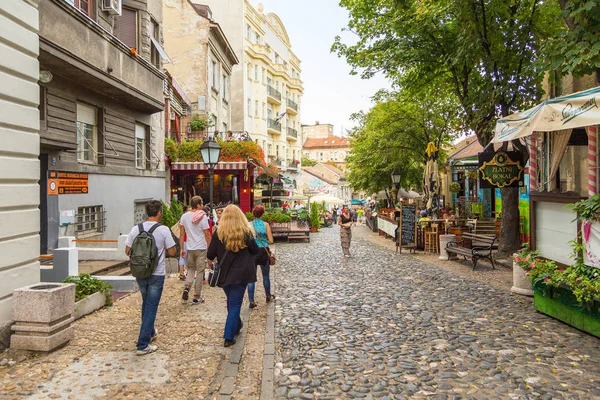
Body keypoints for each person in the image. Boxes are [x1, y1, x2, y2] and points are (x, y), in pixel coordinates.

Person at [124, 200, 176, 356]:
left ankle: (151, 331)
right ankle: (142, 344)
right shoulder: (163, 230)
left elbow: (127, 250)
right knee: (151, 308)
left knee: (147, 303)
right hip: (156, 274)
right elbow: (172, 252)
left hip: (140, 273)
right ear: (159, 212)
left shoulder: (136, 229)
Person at [207, 205, 260, 347]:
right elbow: (256, 251)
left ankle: (236, 326)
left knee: (232, 302)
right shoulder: (245, 233)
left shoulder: (218, 233)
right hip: (242, 273)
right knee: (234, 303)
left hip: (224, 274)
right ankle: (228, 337)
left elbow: (210, 254)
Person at [179, 196, 211, 304]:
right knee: (200, 271)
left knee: (191, 269)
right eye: (201, 204)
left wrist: (182, 248)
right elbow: (206, 233)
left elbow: (182, 233)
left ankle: (187, 288)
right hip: (201, 247)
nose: (202, 206)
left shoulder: (184, 216)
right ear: (198, 205)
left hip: (190, 247)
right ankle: (197, 296)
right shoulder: (203, 217)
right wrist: (210, 246)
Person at [247, 205, 275, 309]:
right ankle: (268, 296)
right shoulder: (265, 224)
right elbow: (271, 240)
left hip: (252, 251)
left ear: (253, 213)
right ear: (262, 214)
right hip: (264, 251)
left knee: (251, 278)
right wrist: (263, 241)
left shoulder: (248, 225)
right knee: (266, 275)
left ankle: (251, 300)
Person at [177, 205, 189, 280]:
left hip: (184, 240)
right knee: (185, 257)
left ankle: (182, 273)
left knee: (183, 257)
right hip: (186, 240)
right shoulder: (189, 219)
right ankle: (185, 273)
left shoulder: (182, 219)